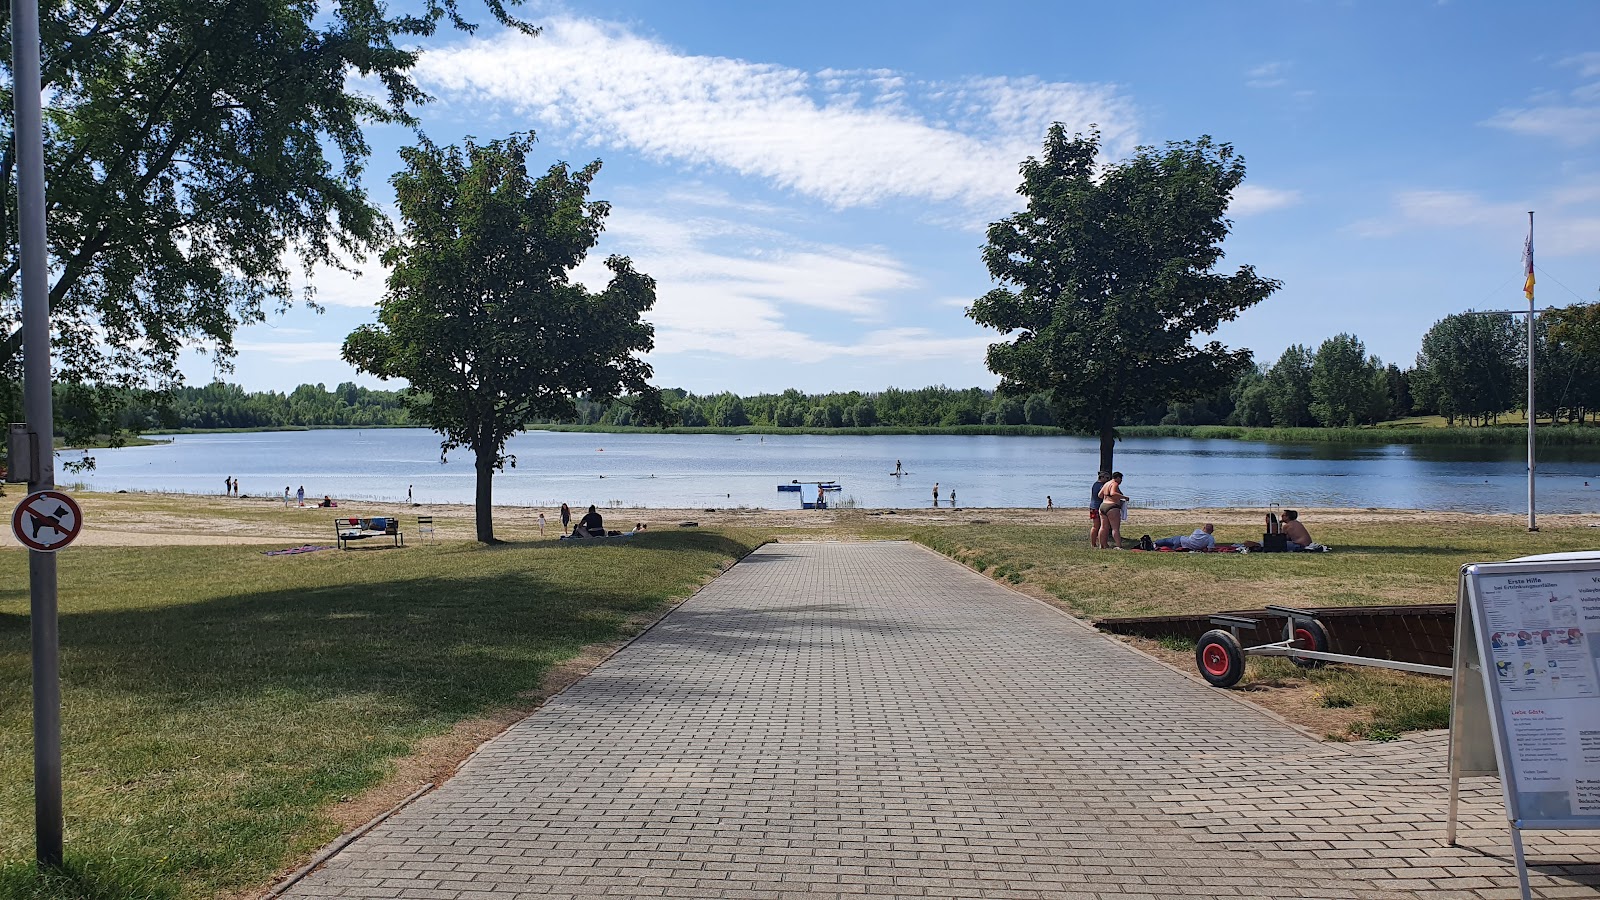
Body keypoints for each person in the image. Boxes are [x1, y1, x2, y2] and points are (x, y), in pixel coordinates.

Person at [1096, 472, 1128, 549]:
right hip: (1112, 507)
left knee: (1103, 527)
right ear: (1117, 478)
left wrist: (1107, 497)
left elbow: (1099, 495)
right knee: (1115, 528)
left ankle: (1102, 545)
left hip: (1103, 506)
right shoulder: (1115, 483)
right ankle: (1119, 546)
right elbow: (1113, 493)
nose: (1121, 481)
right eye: (1121, 479)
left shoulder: (1106, 484)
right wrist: (1124, 497)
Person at [1089, 470, 1110, 548]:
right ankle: (1097, 543)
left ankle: (1096, 543)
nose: (1108, 479)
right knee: (1098, 526)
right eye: (1107, 478)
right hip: (1097, 507)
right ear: (1102, 477)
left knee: (1097, 526)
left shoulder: (1095, 484)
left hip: (1093, 506)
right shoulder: (1101, 485)